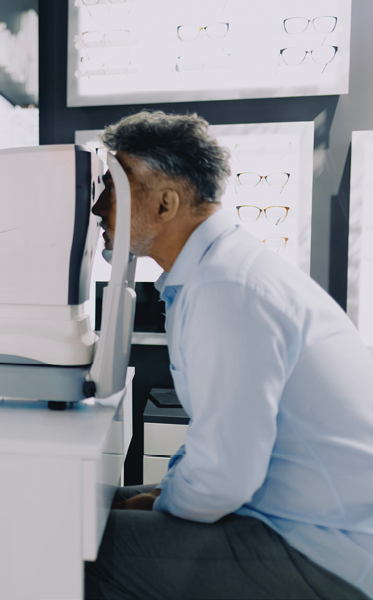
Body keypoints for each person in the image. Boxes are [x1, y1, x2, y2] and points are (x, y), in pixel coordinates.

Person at [87, 111, 373, 599]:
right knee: (92, 506)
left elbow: (222, 479)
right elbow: (214, 439)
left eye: (115, 185)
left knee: (72, 550)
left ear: (165, 204)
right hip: (296, 518)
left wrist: (160, 504)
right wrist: (161, 496)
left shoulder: (224, 288)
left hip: (320, 551)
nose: (96, 206)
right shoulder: (218, 272)